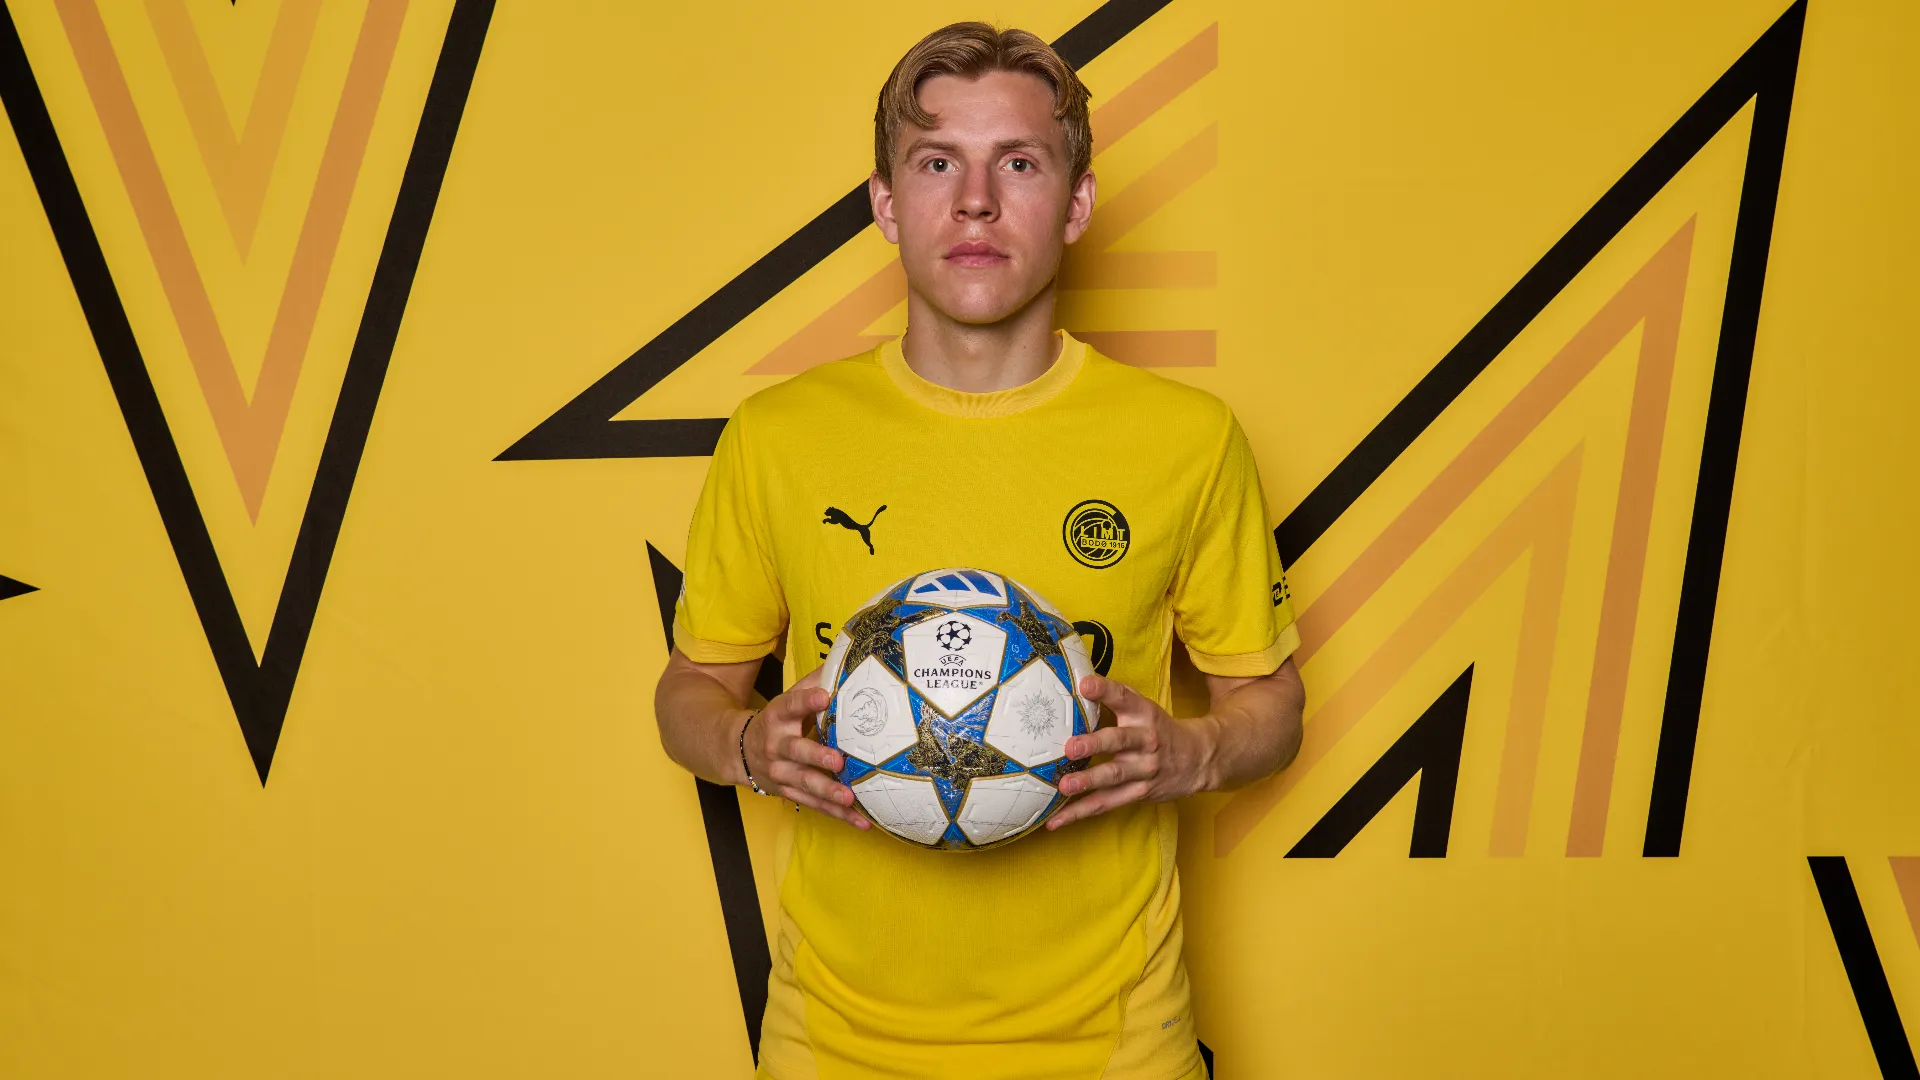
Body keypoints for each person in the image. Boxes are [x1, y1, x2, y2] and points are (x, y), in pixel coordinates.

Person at [653, 22, 1305, 1080]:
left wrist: (1196, 753)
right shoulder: (778, 437)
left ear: (1077, 204)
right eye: (935, 163)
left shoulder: (1187, 440)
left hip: (1114, 1048)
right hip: (835, 1046)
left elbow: (1271, 704)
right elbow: (689, 690)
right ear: (885, 204)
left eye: (1020, 163)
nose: (975, 202)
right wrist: (745, 747)